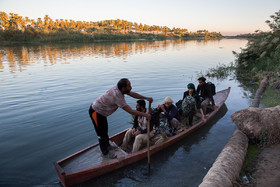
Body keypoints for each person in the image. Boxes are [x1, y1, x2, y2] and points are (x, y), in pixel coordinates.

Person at [89, 78, 153, 158]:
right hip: (96, 112)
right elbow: (131, 111)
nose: (131, 87)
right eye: (129, 86)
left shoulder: (119, 88)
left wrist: (146, 98)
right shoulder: (118, 97)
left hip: (102, 113)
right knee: (101, 134)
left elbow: (132, 94)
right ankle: (105, 152)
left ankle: (108, 145)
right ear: (123, 88)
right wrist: (145, 115)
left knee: (105, 130)